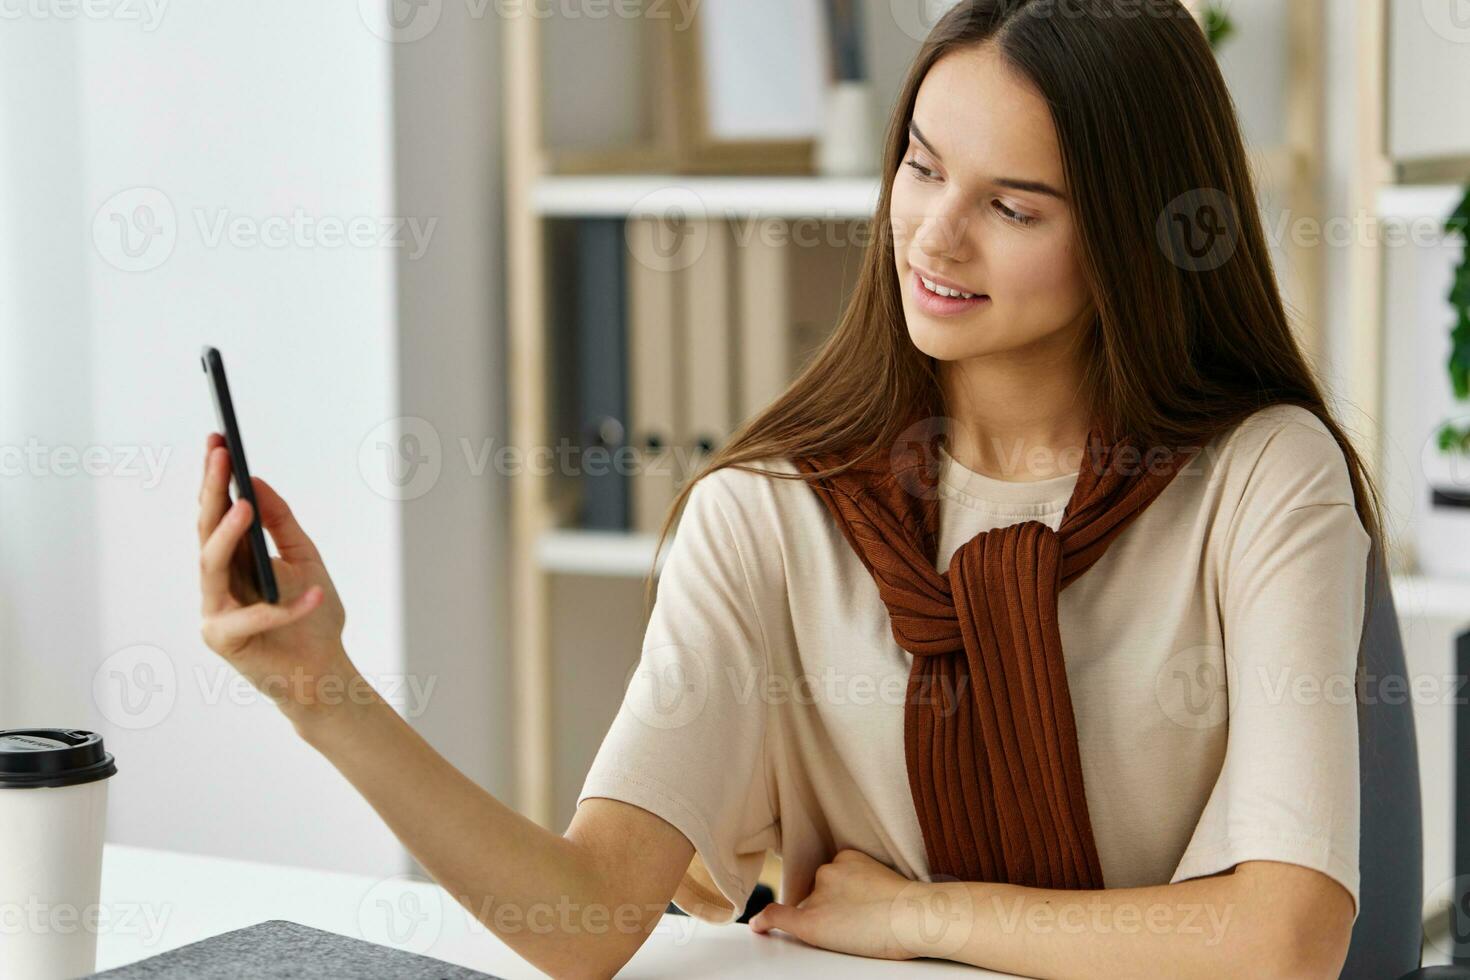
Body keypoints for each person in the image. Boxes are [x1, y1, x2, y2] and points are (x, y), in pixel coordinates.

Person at [196, 1, 1382, 975]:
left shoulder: (1263, 476)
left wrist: (921, 912)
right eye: (920, 167)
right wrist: (323, 689)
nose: (933, 236)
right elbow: (590, 914)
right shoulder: (769, 510)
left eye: (1012, 206)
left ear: (1137, 237)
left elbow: (1287, 938)